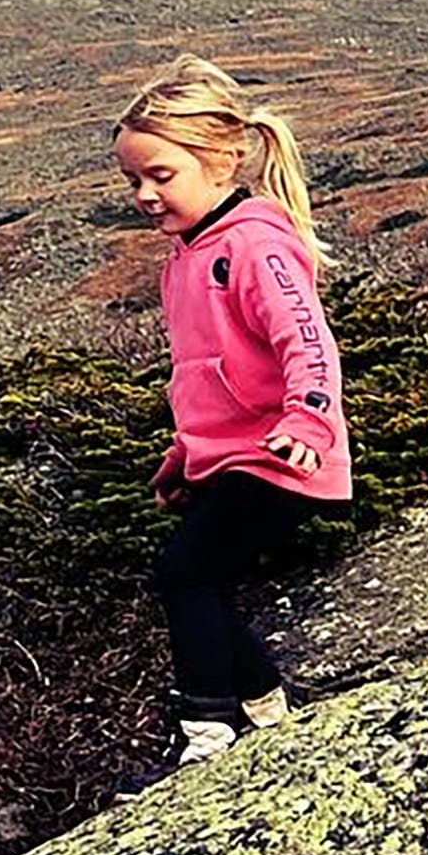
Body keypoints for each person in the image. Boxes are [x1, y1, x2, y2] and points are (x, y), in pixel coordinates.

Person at [108, 53, 352, 799]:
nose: (145, 195)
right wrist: (184, 453)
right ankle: (271, 715)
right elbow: (205, 370)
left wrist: (307, 421)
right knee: (197, 577)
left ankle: (206, 738)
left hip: (285, 452)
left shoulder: (254, 242)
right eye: (132, 181)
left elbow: (306, 341)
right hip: (230, 454)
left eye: (160, 175)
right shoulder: (184, 258)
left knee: (186, 573)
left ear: (219, 160)